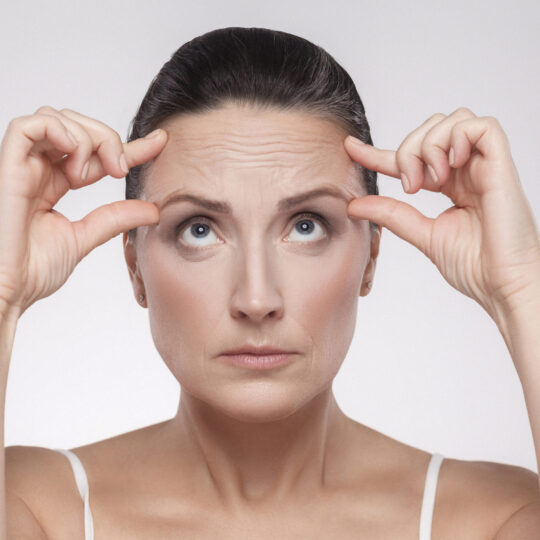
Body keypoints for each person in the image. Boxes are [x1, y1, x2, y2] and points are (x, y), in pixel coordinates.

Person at [2, 26, 540, 539]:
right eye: (199, 229)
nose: (256, 300)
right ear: (135, 267)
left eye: (306, 226)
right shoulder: (34, 508)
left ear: (371, 255)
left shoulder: (490, 521)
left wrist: (521, 286)